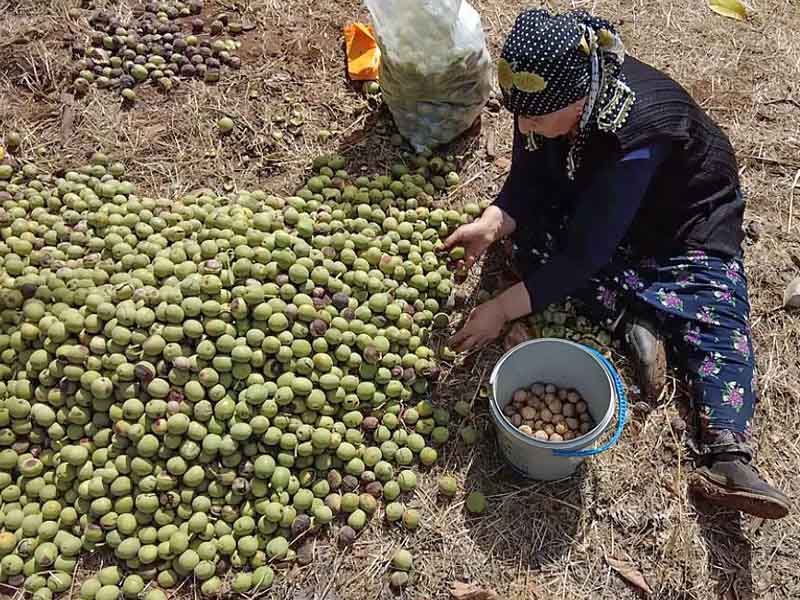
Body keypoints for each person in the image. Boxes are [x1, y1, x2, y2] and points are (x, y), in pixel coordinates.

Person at [444, 9, 790, 519]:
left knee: (716, 317)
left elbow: (584, 255)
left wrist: (501, 308)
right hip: (600, 208)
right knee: (530, 246)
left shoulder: (637, 133)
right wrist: (493, 223)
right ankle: (633, 321)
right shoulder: (542, 100)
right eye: (518, 114)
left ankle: (727, 454)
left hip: (683, 226)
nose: (524, 126)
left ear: (581, 99)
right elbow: (528, 182)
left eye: (535, 118)